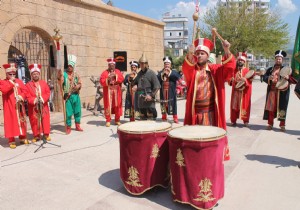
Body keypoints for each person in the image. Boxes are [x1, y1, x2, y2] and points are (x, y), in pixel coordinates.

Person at [182, 37, 235, 160]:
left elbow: (229, 69)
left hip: (211, 113)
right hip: (196, 113)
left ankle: (211, 160)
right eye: (197, 53)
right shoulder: (193, 71)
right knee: (195, 141)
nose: (199, 55)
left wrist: (227, 50)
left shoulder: (215, 70)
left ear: (207, 55)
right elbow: (186, 68)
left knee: (209, 139)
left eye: (202, 53)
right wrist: (190, 53)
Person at [262, 50, 296, 131]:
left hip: (282, 93)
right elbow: (264, 77)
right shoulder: (270, 69)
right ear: (275, 59)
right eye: (277, 59)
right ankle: (270, 124)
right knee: (270, 108)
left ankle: (282, 125)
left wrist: (288, 78)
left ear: (282, 60)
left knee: (282, 108)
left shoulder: (286, 69)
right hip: (272, 92)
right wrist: (269, 78)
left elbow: (294, 80)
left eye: (280, 59)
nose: (278, 60)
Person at [0, 63, 28, 149]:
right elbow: (4, 90)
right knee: (10, 122)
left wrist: (21, 96)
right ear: (6, 74)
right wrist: (11, 83)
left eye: (13, 74)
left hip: (19, 105)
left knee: (22, 121)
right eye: (10, 74)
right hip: (9, 107)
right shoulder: (3, 82)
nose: (12, 75)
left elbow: (25, 91)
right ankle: (11, 140)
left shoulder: (19, 81)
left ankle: (22, 137)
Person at [57, 54, 83, 134]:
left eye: (71, 66)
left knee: (78, 111)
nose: (69, 67)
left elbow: (80, 83)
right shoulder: (64, 74)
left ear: (73, 66)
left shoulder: (76, 74)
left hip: (76, 95)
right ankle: (68, 127)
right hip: (68, 96)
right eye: (68, 66)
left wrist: (78, 86)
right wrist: (59, 76)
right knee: (68, 112)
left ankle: (77, 125)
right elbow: (60, 83)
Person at [25, 64, 51, 142]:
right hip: (33, 107)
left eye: (37, 74)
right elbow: (27, 95)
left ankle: (46, 134)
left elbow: (48, 92)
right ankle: (36, 135)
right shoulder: (28, 85)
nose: (35, 75)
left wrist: (42, 99)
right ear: (31, 75)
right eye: (34, 74)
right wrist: (34, 100)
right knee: (34, 121)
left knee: (45, 120)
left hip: (43, 105)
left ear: (39, 74)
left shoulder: (43, 83)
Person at [132, 53, 161, 120]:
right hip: (141, 98)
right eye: (141, 63)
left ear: (146, 64)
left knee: (150, 117)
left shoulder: (151, 73)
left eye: (143, 63)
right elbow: (136, 84)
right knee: (142, 117)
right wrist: (135, 86)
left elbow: (157, 86)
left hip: (149, 98)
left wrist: (151, 95)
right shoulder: (139, 74)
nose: (142, 65)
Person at [157, 56, 185, 123]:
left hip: (171, 91)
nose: (167, 65)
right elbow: (157, 79)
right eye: (165, 64)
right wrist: (162, 74)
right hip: (163, 91)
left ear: (170, 64)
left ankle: (175, 117)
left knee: (173, 104)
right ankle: (164, 116)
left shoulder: (174, 72)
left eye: (168, 64)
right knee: (163, 103)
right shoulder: (161, 72)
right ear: (164, 65)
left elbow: (178, 77)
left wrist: (169, 73)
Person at [229, 52, 253, 127]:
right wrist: (231, 80)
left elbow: (250, 82)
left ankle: (245, 121)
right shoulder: (233, 70)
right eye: (239, 60)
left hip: (244, 92)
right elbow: (229, 81)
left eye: (242, 61)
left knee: (244, 106)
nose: (240, 61)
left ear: (244, 62)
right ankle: (233, 120)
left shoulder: (247, 71)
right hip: (236, 92)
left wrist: (245, 80)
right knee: (234, 106)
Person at [100, 58, 124, 127]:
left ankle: (117, 120)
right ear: (108, 65)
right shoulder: (105, 72)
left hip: (117, 92)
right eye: (110, 65)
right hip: (108, 92)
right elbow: (101, 81)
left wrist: (115, 76)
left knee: (117, 105)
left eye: (113, 65)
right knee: (108, 105)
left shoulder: (118, 71)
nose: (111, 66)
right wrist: (108, 79)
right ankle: (108, 120)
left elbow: (121, 78)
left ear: (115, 66)